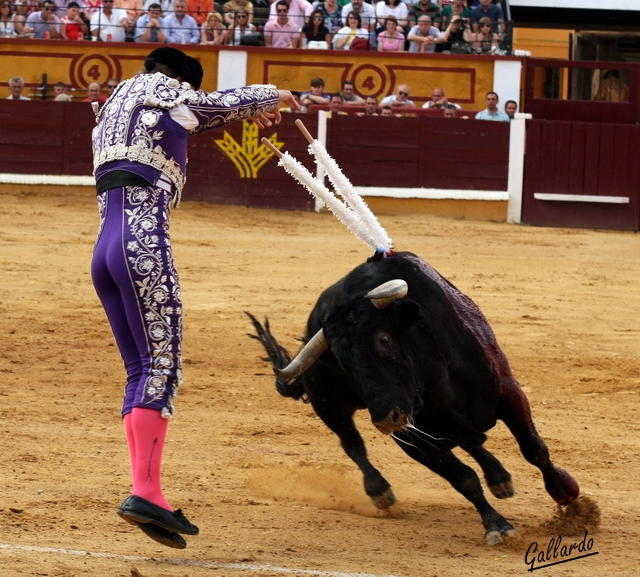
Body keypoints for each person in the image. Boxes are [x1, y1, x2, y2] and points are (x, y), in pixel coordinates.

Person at [91, 46, 299, 550]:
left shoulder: (116, 106)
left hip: (105, 250)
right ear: (179, 78)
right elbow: (209, 105)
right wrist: (275, 96)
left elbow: (189, 119)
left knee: (141, 369)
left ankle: (148, 491)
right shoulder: (170, 93)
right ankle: (145, 492)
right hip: (142, 247)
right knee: (160, 368)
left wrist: (252, 110)